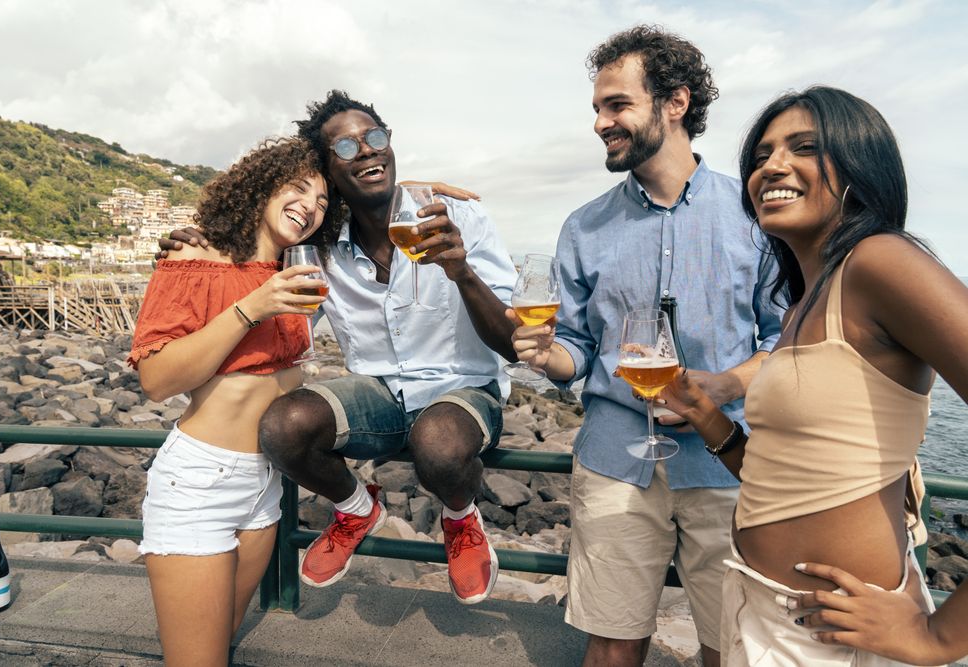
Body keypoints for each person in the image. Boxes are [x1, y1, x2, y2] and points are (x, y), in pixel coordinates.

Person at [160, 90, 518, 605]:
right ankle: (355, 506)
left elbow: (509, 344)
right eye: (346, 149)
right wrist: (203, 244)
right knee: (283, 427)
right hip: (377, 393)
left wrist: (459, 271)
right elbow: (263, 274)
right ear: (329, 168)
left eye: (374, 138)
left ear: (390, 143)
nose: (367, 152)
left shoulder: (456, 218)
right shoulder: (322, 243)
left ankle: (460, 516)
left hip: (462, 388)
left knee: (438, 443)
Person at [659, 85, 968, 666]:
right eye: (761, 155)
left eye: (805, 147)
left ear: (861, 165)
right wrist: (705, 415)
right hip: (760, 608)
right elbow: (785, 479)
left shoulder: (880, 262)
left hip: (832, 638)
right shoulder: (806, 301)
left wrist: (943, 635)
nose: (772, 165)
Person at [508, 26, 782, 666]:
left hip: (728, 460)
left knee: (732, 643)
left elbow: (782, 341)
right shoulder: (583, 226)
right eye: (598, 109)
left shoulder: (753, 215)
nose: (602, 122)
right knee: (610, 642)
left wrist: (725, 386)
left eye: (617, 105)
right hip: (613, 459)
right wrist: (545, 355)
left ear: (676, 103)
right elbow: (574, 348)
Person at [129, 137, 339, 665]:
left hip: (264, 487)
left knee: (219, 643)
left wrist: (427, 192)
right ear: (262, 187)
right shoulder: (196, 258)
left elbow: (380, 207)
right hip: (200, 482)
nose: (310, 207)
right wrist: (252, 308)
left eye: (322, 202)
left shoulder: (296, 272)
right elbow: (155, 380)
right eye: (298, 189)